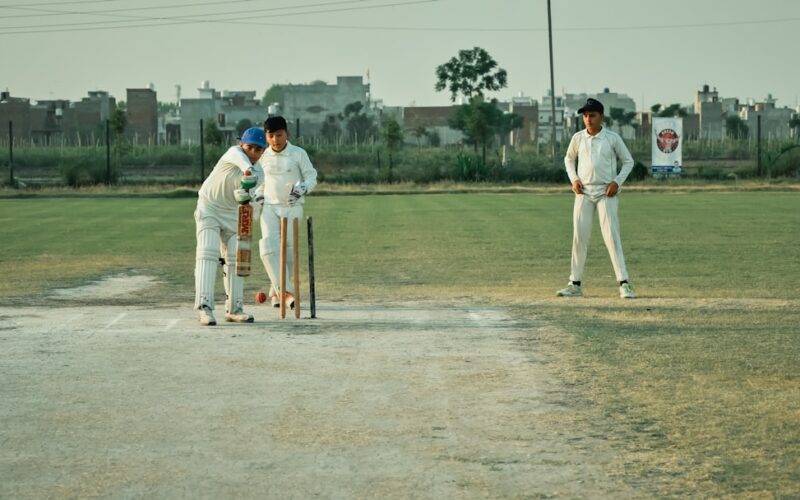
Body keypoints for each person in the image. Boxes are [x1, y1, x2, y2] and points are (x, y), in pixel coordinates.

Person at [557, 98, 636, 299]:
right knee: (579, 237)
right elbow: (568, 159)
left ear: (601, 116)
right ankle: (574, 284)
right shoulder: (578, 138)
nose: (588, 119)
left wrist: (616, 182)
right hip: (583, 192)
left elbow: (628, 161)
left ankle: (624, 283)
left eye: (592, 115)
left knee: (611, 237)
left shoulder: (612, 138)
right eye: (585, 116)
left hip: (605, 193)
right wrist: (574, 179)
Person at [194, 127, 266, 325]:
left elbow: (245, 198)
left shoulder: (260, 173)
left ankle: (234, 309)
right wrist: (248, 171)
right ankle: (204, 307)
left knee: (235, 258)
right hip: (209, 207)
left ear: (263, 151)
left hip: (233, 214)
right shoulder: (233, 153)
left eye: (258, 149)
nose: (253, 152)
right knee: (208, 254)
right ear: (242, 144)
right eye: (250, 147)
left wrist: (250, 198)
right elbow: (244, 164)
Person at [255, 116, 318, 308]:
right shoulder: (262, 156)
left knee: (288, 251)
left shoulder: (298, 153)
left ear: (286, 134)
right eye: (271, 136)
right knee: (268, 247)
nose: (275, 140)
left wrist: (301, 190)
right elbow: (259, 184)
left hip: (292, 206)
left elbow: (311, 177)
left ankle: (277, 293)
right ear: (266, 136)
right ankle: (286, 293)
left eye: (279, 135)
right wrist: (258, 196)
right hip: (269, 208)